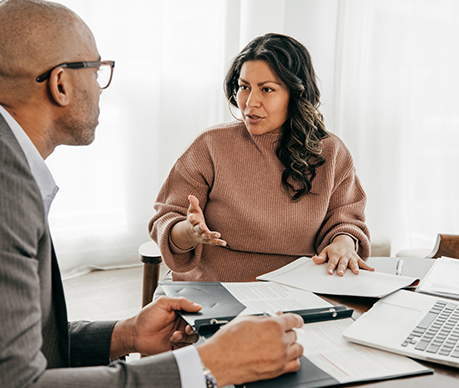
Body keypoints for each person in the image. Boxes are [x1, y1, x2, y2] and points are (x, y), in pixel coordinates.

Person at [0, 0, 304, 388]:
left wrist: (126, 334)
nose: (101, 88)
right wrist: (207, 364)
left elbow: (5, 343)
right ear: (61, 83)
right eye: (97, 71)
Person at [149, 33, 373, 282]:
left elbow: (345, 220)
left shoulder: (331, 153)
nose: (250, 102)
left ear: (296, 93)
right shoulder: (210, 145)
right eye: (244, 87)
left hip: (298, 292)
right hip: (214, 288)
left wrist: (343, 242)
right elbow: (167, 219)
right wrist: (190, 233)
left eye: (267, 89)